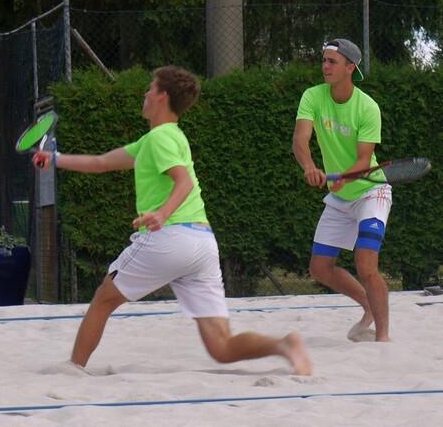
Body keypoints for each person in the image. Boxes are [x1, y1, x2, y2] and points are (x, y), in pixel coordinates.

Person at [34, 65, 312, 375]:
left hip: (171, 238)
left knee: (103, 298)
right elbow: (101, 163)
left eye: (150, 88)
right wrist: (55, 159)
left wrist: (161, 213)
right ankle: (285, 346)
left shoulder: (160, 138)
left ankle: (74, 367)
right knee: (221, 347)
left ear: (162, 96)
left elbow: (184, 182)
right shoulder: (163, 138)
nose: (145, 93)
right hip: (202, 244)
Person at [292, 39, 392, 343]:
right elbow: (300, 140)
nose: (325, 66)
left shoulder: (367, 107)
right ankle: (367, 306)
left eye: (332, 61)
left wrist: (343, 179)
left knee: (366, 265)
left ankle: (383, 338)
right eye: (324, 60)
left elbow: (364, 159)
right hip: (340, 197)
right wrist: (309, 166)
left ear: (350, 67)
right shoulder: (312, 96)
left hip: (371, 193)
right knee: (320, 268)